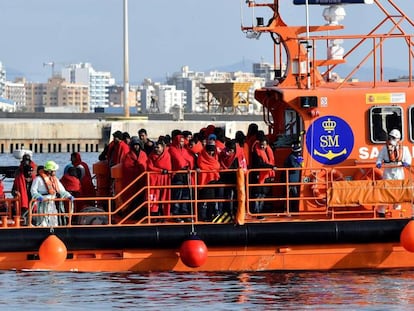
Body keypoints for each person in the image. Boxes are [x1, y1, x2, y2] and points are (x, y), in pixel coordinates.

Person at [376, 129, 411, 217]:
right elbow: (379, 157)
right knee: (386, 191)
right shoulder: (385, 148)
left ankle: (397, 209)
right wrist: (378, 163)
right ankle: (381, 211)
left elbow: (408, 158)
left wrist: (407, 163)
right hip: (388, 171)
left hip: (399, 171)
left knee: (398, 192)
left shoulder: (404, 148)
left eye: (393, 137)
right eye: (390, 137)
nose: (391, 139)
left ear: (398, 138)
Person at [31, 160, 74, 226]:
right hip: (43, 202)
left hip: (53, 201)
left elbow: (62, 190)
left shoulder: (55, 179)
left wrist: (68, 196)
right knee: (43, 219)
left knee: (54, 218)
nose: (55, 172)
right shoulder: (38, 179)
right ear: (49, 171)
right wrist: (38, 196)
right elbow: (33, 191)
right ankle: (42, 229)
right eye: (54, 170)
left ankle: (55, 229)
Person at [169, 134, 195, 222]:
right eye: (180, 141)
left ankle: (185, 213)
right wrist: (185, 163)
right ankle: (176, 214)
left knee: (186, 195)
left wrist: (189, 166)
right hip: (177, 174)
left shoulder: (185, 150)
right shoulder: (172, 149)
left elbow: (190, 159)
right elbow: (178, 161)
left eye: (183, 142)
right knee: (177, 195)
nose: (182, 143)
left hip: (186, 174)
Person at [219, 139, 247, 218]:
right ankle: (229, 212)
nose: (230, 151)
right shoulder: (224, 154)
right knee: (229, 195)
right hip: (228, 178)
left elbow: (242, 165)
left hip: (237, 178)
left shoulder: (239, 154)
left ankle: (236, 212)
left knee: (238, 196)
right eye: (229, 149)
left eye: (231, 150)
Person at [250, 136, 277, 219]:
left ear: (267, 145)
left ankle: (260, 211)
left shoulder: (268, 151)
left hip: (266, 176)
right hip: (259, 176)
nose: (262, 147)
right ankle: (257, 212)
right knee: (258, 195)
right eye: (261, 145)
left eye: (264, 145)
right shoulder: (256, 152)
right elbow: (259, 164)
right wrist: (270, 167)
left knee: (262, 195)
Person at [120, 136, 148, 212]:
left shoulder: (143, 155)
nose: (136, 146)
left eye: (137, 145)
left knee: (142, 196)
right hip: (132, 180)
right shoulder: (128, 155)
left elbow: (145, 164)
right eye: (135, 145)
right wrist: (136, 167)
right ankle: (131, 211)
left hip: (142, 180)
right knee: (132, 197)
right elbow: (126, 167)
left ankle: (141, 211)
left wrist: (140, 167)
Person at [147, 140, 172, 220]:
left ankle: (164, 215)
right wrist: (160, 171)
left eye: (158, 147)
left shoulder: (167, 155)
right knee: (155, 197)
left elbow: (168, 167)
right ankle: (155, 214)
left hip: (165, 179)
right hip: (155, 180)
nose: (156, 149)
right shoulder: (151, 156)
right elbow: (149, 167)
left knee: (164, 196)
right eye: (155, 147)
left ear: (162, 147)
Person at [197, 142, 221, 221]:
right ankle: (202, 217)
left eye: (212, 151)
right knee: (203, 200)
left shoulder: (215, 157)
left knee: (211, 200)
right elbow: (201, 164)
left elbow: (217, 166)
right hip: (204, 182)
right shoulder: (201, 157)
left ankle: (209, 216)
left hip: (212, 182)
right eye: (209, 151)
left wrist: (206, 169)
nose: (211, 153)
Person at [283, 142, 304, 213]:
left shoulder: (294, 157)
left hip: (294, 180)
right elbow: (294, 168)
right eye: (298, 152)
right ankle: (287, 210)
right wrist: (299, 162)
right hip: (290, 180)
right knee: (288, 196)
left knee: (293, 196)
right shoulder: (291, 157)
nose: (299, 153)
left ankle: (292, 210)